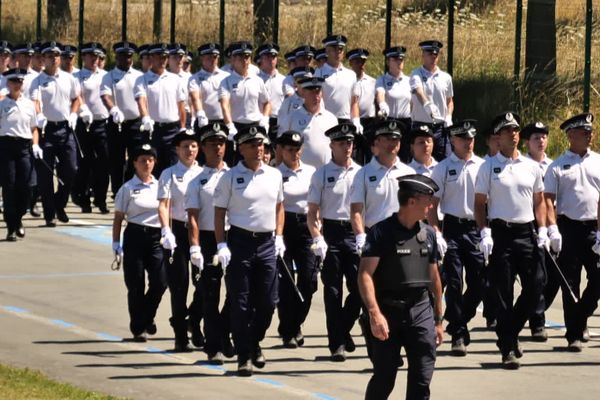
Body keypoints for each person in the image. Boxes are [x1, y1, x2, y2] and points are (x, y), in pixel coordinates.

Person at [358, 174, 444, 400]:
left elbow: (434, 278)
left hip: (421, 311)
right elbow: (365, 274)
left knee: (422, 378)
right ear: (412, 201)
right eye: (428, 200)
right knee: (384, 377)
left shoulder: (428, 235)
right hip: (388, 312)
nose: (431, 205)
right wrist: (374, 314)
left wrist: (438, 320)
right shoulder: (381, 233)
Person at [474, 112, 547, 369]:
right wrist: (485, 231)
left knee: (537, 284)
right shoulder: (488, 166)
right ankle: (508, 349)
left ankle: (509, 333)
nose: (513, 135)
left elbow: (538, 201)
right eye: (507, 131)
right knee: (503, 292)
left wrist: (544, 229)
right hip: (501, 233)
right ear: (498, 137)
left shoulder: (532, 166)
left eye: (515, 130)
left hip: (527, 232)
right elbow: (479, 204)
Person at [213, 125, 284, 376]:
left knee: (268, 302)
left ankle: (253, 341)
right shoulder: (230, 177)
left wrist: (279, 236)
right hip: (240, 242)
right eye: (253, 145)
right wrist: (221, 244)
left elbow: (279, 206)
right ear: (241, 148)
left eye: (261, 144)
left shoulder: (274, 175)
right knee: (240, 303)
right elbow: (219, 212)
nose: (259, 148)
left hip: (266, 243)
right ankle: (244, 355)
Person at [428, 120, 485, 356]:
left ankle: (455, 317)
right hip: (451, 228)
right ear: (453, 141)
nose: (469, 143)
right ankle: (459, 332)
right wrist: (436, 232)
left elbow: (486, 202)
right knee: (453, 281)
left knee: (480, 281)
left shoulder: (482, 166)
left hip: (475, 228)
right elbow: (432, 205)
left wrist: (486, 230)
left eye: (471, 139)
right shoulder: (442, 168)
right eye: (464, 139)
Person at [307, 123, 362, 361]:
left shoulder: (361, 172)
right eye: (341, 143)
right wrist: (317, 237)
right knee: (332, 291)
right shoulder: (321, 174)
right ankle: (336, 343)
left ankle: (343, 328)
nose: (347, 147)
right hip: (331, 232)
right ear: (332, 146)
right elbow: (312, 212)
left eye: (349, 142)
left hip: (355, 233)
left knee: (360, 288)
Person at [545, 113, 600, 351]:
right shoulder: (557, 166)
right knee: (570, 283)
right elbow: (548, 200)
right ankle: (574, 334)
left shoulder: (598, 161)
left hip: (594, 228)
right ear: (570, 135)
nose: (589, 135)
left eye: (590, 131)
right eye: (584, 132)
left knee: (598, 280)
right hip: (569, 228)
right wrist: (552, 229)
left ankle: (582, 314)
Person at [185, 122, 234, 364]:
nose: (217, 147)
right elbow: (192, 216)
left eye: (221, 143)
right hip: (206, 239)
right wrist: (194, 246)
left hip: (233, 237)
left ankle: (222, 331)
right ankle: (213, 346)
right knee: (210, 294)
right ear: (203, 147)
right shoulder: (196, 180)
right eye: (213, 143)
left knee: (236, 293)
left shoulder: (235, 175)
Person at [112, 144, 167, 342]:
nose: (147, 164)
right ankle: (138, 327)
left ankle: (147, 315)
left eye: (150, 160)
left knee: (160, 282)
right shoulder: (127, 188)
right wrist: (116, 244)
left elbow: (166, 209)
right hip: (135, 235)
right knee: (135, 284)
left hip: (156, 238)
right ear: (134, 163)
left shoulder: (160, 185)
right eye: (142, 160)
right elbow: (118, 217)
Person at [157, 130, 203, 351]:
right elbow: (164, 204)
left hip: (199, 233)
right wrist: (166, 230)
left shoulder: (204, 173)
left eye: (193, 146)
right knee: (179, 285)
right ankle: (180, 335)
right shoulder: (169, 173)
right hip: (177, 232)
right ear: (177, 149)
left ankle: (194, 319)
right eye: (185, 146)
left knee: (203, 283)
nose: (190, 150)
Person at [30, 41, 82, 226]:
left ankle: (60, 203)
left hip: (66, 129)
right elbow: (35, 102)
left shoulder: (68, 78)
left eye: (56, 56)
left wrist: (74, 114)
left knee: (71, 169)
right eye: (50, 56)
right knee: (45, 175)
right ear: (43, 59)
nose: (54, 59)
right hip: (46, 130)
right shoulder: (37, 81)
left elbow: (77, 98)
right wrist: (40, 115)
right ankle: (49, 214)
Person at [275, 130, 318, 348]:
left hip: (307, 227)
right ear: (282, 150)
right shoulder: (274, 173)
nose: (294, 154)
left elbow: (318, 201)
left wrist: (320, 233)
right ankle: (288, 329)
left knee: (309, 281)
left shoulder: (311, 172)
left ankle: (295, 323)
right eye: (290, 150)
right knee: (287, 283)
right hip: (284, 227)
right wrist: (277, 235)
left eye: (297, 149)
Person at [521, 122, 555, 342]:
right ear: (527, 142)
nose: (541, 141)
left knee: (554, 277)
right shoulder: (522, 165)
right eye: (536, 137)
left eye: (543, 137)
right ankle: (537, 320)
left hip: (553, 224)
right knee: (536, 276)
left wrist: (552, 228)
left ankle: (533, 309)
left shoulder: (554, 165)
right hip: (529, 225)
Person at [134, 43, 187, 176]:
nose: (162, 60)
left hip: (172, 130)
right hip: (153, 130)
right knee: (153, 168)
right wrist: (145, 117)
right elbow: (141, 100)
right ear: (151, 58)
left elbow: (181, 106)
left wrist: (182, 128)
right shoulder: (142, 79)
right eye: (159, 57)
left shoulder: (175, 79)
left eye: (165, 57)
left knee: (174, 167)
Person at [0, 68, 40, 241]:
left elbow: (34, 128)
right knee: (9, 186)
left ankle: (19, 218)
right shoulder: (1, 105)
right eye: (14, 81)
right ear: (8, 84)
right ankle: (11, 226)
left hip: (24, 147)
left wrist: (36, 144)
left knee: (26, 186)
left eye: (20, 82)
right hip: (6, 146)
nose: (17, 84)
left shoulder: (29, 104)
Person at [101, 41, 145, 196]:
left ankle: (130, 189)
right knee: (116, 161)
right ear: (116, 57)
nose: (126, 59)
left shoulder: (139, 76)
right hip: (117, 124)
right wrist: (113, 109)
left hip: (135, 123)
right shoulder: (109, 76)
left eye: (128, 56)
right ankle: (117, 190)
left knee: (135, 159)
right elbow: (105, 96)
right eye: (122, 56)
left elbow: (143, 98)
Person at [72, 42, 110, 214]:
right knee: (85, 163)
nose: (94, 59)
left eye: (97, 56)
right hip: (84, 124)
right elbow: (77, 95)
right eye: (91, 56)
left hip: (102, 123)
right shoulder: (78, 76)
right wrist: (83, 108)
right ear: (84, 57)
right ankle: (83, 197)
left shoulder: (105, 75)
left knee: (103, 163)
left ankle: (100, 199)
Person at [219, 41, 271, 165]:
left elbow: (267, 102)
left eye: (247, 57)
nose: (245, 60)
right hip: (237, 127)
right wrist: (230, 125)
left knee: (257, 161)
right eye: (241, 57)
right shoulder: (226, 81)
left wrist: (265, 118)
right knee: (237, 162)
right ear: (233, 59)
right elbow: (224, 105)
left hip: (255, 125)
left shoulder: (257, 80)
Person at [410, 40, 454, 161]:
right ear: (423, 55)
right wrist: (426, 103)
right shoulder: (416, 74)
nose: (433, 57)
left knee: (443, 160)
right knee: (421, 160)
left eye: (436, 54)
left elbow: (449, 100)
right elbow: (418, 91)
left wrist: (449, 116)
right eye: (430, 54)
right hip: (421, 125)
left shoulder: (446, 77)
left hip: (440, 127)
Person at [284, 75, 337, 169]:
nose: (315, 96)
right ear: (303, 92)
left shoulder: (331, 118)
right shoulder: (293, 117)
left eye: (318, 92)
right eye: (311, 92)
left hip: (327, 172)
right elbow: (282, 146)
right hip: (302, 173)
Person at [376, 46, 412, 163]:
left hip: (406, 122)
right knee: (389, 154)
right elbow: (380, 93)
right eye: (395, 60)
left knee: (405, 155)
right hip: (390, 122)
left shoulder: (409, 80)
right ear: (388, 61)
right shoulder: (382, 80)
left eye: (401, 59)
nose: (399, 62)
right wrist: (382, 105)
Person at [315, 35, 357, 126]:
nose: (338, 52)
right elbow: (316, 98)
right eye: (334, 49)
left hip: (345, 120)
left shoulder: (351, 74)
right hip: (326, 120)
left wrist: (356, 120)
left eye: (340, 49)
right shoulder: (319, 73)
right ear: (327, 50)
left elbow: (354, 101)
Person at [189, 43, 227, 130]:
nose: (212, 60)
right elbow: (196, 98)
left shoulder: (226, 76)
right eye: (209, 57)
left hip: (224, 121)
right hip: (204, 121)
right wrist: (200, 113)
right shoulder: (195, 78)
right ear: (201, 58)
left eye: (215, 57)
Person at [348, 48, 375, 165]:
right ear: (350, 63)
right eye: (357, 62)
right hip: (353, 122)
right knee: (355, 155)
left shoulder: (372, 81)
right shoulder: (347, 80)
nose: (361, 65)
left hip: (369, 122)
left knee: (370, 154)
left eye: (363, 62)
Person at [256, 43, 285, 141]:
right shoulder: (254, 79)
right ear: (261, 59)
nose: (271, 59)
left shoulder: (284, 80)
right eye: (267, 56)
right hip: (260, 121)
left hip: (279, 121)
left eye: (274, 56)